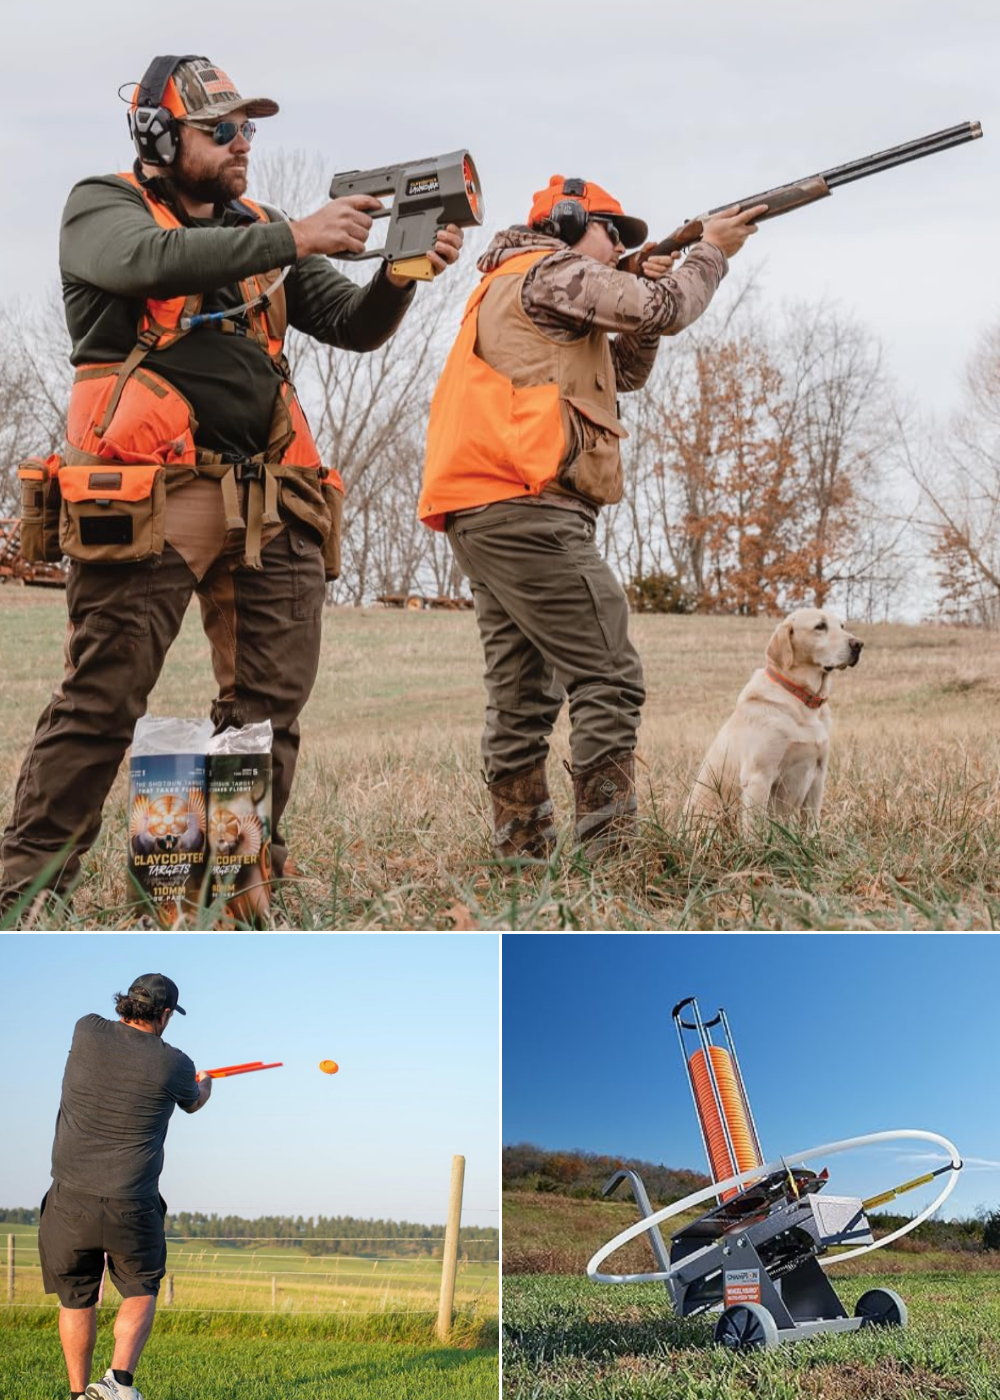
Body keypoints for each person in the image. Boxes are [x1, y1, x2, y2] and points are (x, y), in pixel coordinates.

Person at [0, 54, 463, 916]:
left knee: (266, 713)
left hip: (269, 499)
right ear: (156, 136)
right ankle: (23, 893)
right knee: (102, 702)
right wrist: (299, 236)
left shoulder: (262, 227)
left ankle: (232, 892)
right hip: (148, 498)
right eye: (220, 130)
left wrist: (401, 272)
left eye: (247, 127)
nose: (242, 142)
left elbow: (351, 325)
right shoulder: (101, 207)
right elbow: (148, 262)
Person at [418, 174, 763, 857]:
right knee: (609, 674)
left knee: (521, 695)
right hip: (527, 506)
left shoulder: (523, 280)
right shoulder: (550, 270)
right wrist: (711, 252)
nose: (617, 248)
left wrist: (646, 289)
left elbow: (626, 369)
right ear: (569, 223)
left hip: (486, 508)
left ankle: (522, 856)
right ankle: (611, 856)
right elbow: (666, 309)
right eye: (611, 232)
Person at [38, 973, 210, 1400]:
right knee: (140, 1289)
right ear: (165, 1014)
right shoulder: (175, 1063)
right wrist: (204, 1084)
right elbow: (193, 1102)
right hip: (132, 1203)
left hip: (69, 1199)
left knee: (75, 1299)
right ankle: (117, 1382)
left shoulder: (86, 1030)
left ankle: (79, 1394)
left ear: (127, 1002)